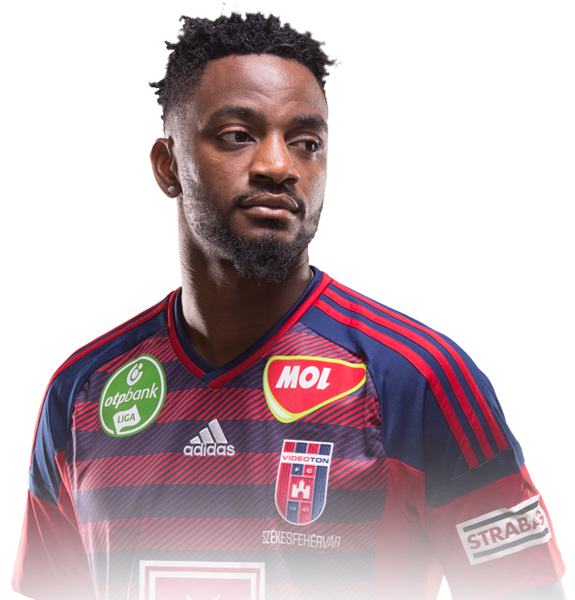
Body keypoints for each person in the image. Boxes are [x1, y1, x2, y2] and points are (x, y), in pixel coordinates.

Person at [12, 8, 565, 600]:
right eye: (237, 135)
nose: (279, 166)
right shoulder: (81, 393)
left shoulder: (419, 381)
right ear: (168, 167)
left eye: (306, 143)